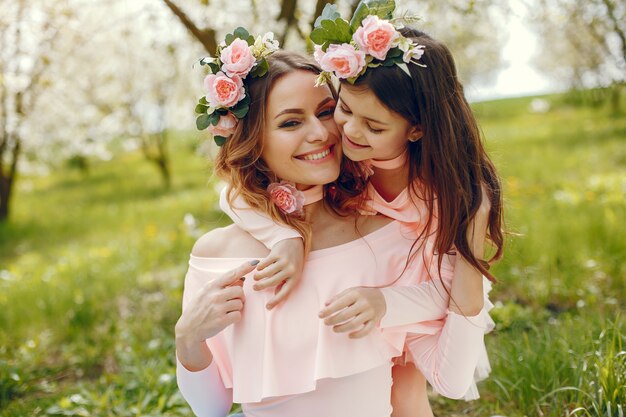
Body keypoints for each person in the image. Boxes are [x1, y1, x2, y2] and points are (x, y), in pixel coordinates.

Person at [177, 33, 491, 417]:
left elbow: (446, 380)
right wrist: (187, 338)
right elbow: (211, 409)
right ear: (251, 140)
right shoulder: (216, 257)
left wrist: (472, 226)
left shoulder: (386, 237)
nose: (323, 133)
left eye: (326, 111)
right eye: (291, 122)